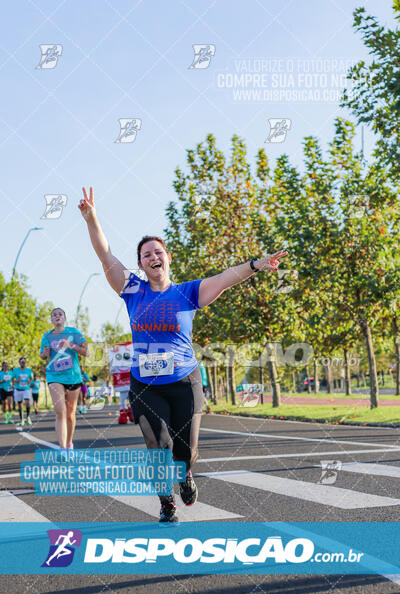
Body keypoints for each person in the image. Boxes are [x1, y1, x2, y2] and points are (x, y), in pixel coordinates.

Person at [79, 186, 287, 522]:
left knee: (185, 452)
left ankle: (186, 474)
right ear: (141, 264)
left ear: (168, 257)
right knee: (158, 447)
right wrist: (92, 218)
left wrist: (255, 265)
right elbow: (106, 256)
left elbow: (225, 278)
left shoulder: (188, 292)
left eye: (158, 252)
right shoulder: (132, 289)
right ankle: (166, 502)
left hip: (184, 379)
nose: (153, 257)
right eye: (147, 255)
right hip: (145, 384)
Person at [40, 307, 88, 451]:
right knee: (60, 411)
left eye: (60, 314)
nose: (57, 316)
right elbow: (42, 355)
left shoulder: (73, 333)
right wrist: (45, 353)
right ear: (51, 320)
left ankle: (69, 443)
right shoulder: (47, 336)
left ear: (65, 318)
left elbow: (87, 352)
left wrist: (71, 345)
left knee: (70, 413)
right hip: (54, 376)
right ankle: (62, 449)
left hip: (72, 376)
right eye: (54, 315)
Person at [12, 358, 33, 426]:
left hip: (26, 389)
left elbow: (31, 377)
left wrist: (29, 381)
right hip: (18, 389)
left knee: (27, 403)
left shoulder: (29, 370)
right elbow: (12, 378)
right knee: (20, 405)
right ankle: (21, 419)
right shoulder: (15, 370)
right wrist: (15, 381)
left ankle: (28, 417)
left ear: (25, 363)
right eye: (21, 362)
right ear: (19, 363)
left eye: (24, 362)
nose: (23, 363)